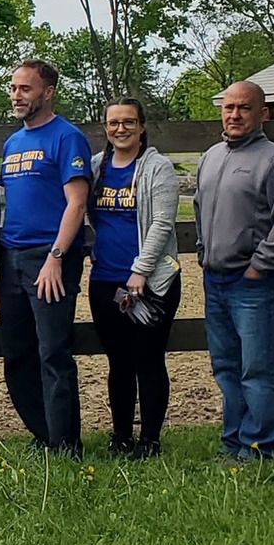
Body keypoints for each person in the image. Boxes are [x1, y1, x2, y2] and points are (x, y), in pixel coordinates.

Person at [196, 80, 274, 462]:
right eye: (228, 107)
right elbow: (199, 208)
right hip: (217, 279)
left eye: (243, 108)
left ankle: (260, 448)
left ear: (263, 114)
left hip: (258, 284)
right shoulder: (211, 156)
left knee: (259, 369)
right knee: (227, 366)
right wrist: (202, 251)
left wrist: (260, 267)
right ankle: (234, 442)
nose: (234, 114)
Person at [0, 58, 94, 457]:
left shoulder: (66, 137)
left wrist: (57, 256)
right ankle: (42, 435)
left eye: (26, 89)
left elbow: (77, 203)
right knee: (17, 353)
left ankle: (66, 442)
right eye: (14, 88)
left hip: (49, 258)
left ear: (48, 92)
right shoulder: (12, 142)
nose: (17, 96)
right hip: (12, 256)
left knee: (52, 352)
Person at [88, 98, 183, 458]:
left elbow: (162, 223)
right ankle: (121, 435)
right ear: (106, 128)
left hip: (152, 283)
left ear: (142, 126)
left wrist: (140, 271)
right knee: (118, 361)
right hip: (105, 280)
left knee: (149, 359)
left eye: (129, 122)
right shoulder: (99, 167)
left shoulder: (157, 168)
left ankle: (150, 439)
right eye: (114, 123)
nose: (121, 129)